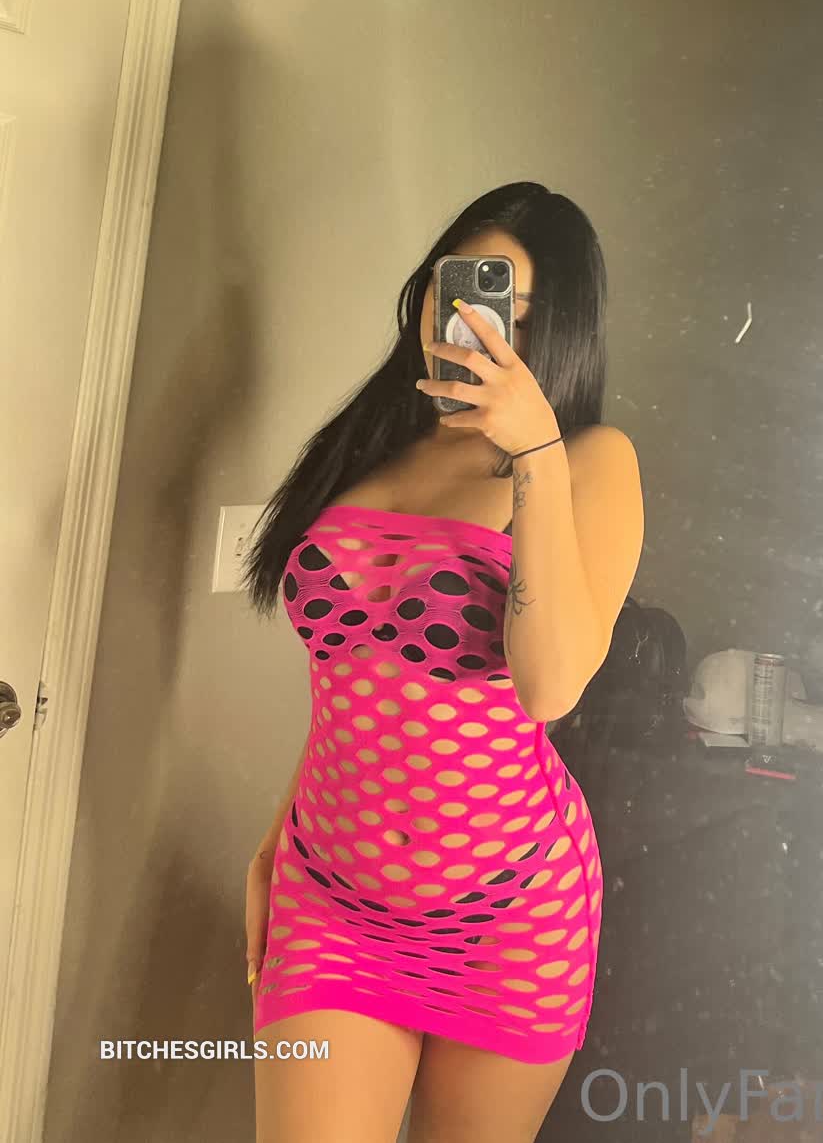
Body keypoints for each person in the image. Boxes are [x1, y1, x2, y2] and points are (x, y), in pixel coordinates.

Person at [240, 182, 645, 1143]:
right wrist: (277, 836)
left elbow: (550, 685)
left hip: (509, 916)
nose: (486, 325)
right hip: (329, 899)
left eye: (523, 314)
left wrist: (534, 452)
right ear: (429, 290)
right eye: (466, 287)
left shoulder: (591, 459)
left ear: (563, 331)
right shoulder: (363, 449)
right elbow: (354, 682)